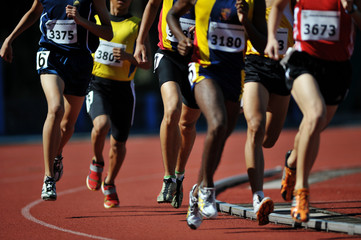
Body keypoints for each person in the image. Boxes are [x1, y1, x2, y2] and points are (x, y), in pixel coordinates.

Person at [167, 0, 267, 229]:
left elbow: (263, 45)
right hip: (203, 67)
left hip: (234, 75)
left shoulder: (253, 2)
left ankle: (195, 193)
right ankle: (207, 189)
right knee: (218, 123)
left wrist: (247, 23)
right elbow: (172, 14)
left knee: (222, 134)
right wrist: (182, 39)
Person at [0, 0, 113, 201]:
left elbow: (108, 32)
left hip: (79, 61)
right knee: (55, 108)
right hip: (50, 55)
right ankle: (48, 178)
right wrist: (10, 38)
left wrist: (81, 20)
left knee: (67, 125)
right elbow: (34, 12)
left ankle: (57, 153)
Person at [265, 0, 361, 222]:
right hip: (304, 61)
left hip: (337, 69)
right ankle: (302, 191)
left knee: (314, 126)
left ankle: (291, 162)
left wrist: (352, 9)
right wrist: (271, 37)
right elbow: (277, 6)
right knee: (315, 114)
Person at [134, 0, 201, 209]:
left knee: (187, 124)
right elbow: (153, 5)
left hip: (197, 60)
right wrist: (140, 40)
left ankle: (179, 176)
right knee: (172, 109)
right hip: (168, 55)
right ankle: (168, 178)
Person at [84, 0, 151, 208]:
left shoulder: (137, 25)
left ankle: (110, 182)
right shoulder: (95, 19)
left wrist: (128, 57)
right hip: (97, 84)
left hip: (123, 89)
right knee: (101, 125)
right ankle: (97, 162)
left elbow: (147, 63)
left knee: (118, 143)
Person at [242, 0, 295, 225]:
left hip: (283, 66)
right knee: (255, 126)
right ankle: (258, 196)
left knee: (269, 140)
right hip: (254, 63)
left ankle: (290, 161)